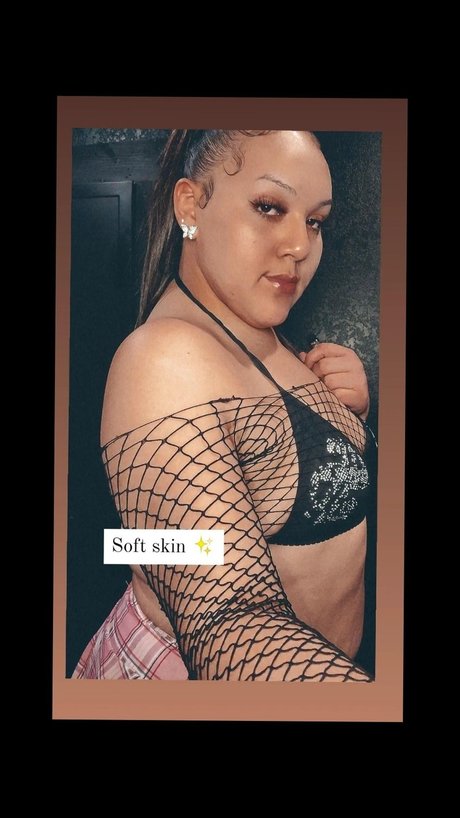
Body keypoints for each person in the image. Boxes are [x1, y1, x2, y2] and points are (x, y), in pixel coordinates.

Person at [73, 129, 376, 682]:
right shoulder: (161, 362)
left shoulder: (266, 332)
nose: (300, 245)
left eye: (315, 221)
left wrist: (352, 414)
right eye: (269, 207)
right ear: (191, 204)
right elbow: (228, 622)